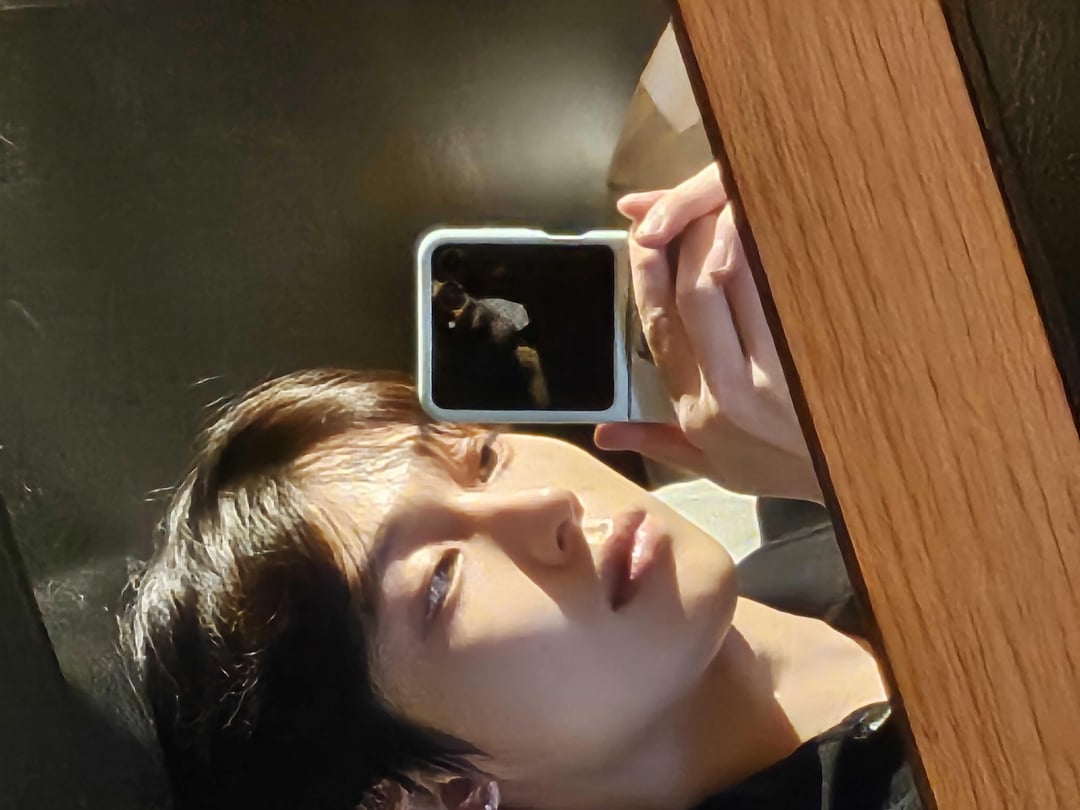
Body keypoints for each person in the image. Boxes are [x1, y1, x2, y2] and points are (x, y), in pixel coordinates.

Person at [124, 164, 921, 809]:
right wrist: (876, 475)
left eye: (482, 458)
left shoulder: (802, 516)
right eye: (440, 583)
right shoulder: (852, 497)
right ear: (434, 797)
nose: (546, 506)